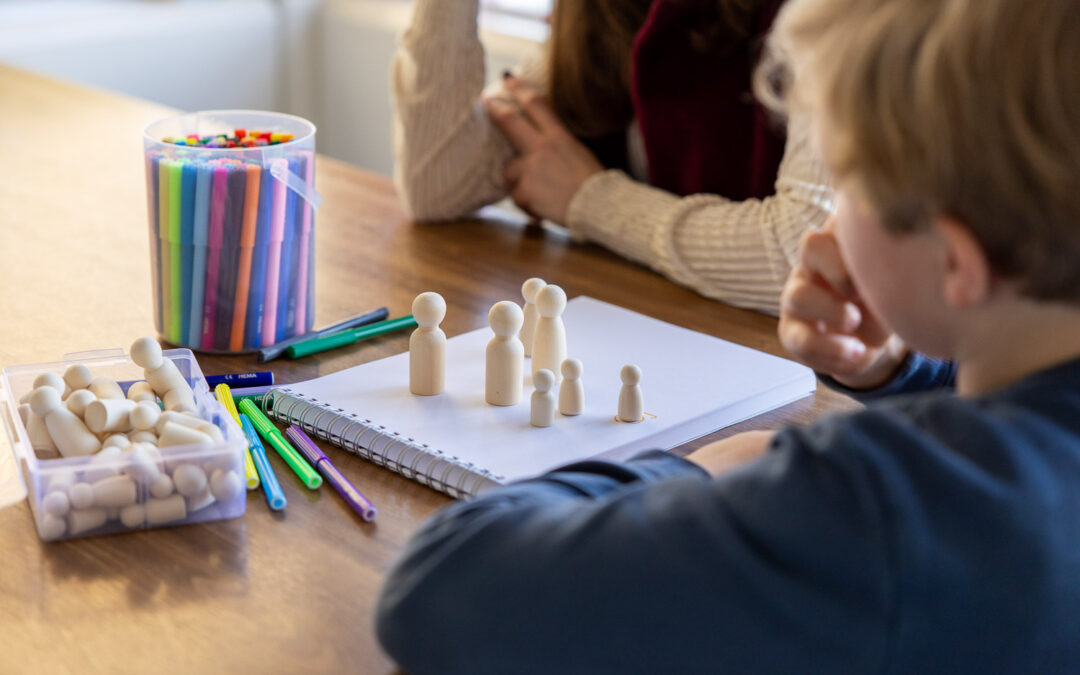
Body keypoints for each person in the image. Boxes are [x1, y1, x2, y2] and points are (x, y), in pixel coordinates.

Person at [376, 0, 1080, 672]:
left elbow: (444, 585)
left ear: (954, 261)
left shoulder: (877, 508)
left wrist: (700, 469)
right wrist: (907, 365)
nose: (827, 224)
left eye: (849, 181)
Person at [391, 0, 832, 315]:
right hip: (655, 331)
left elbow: (801, 257)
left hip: (797, 377)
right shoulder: (608, 14)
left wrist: (592, 200)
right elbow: (436, 184)